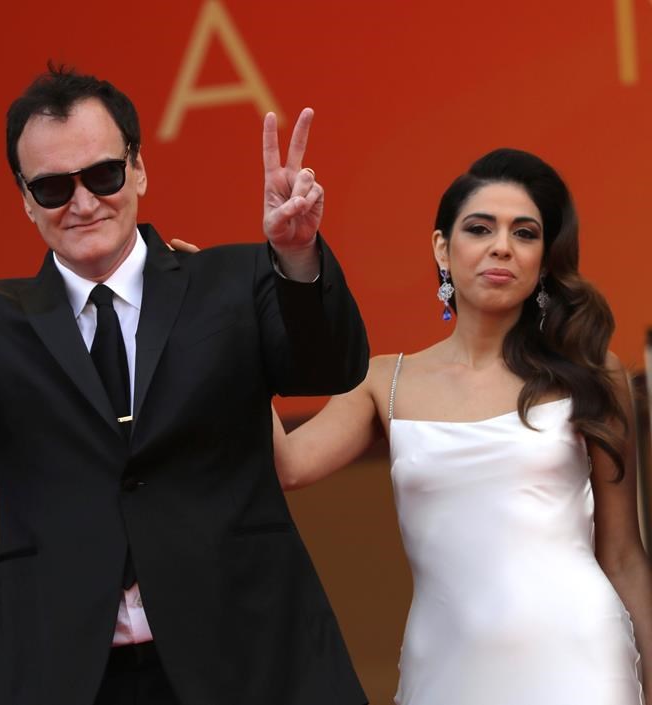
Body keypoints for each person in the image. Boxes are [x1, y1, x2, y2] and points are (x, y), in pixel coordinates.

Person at [0, 66, 370, 705]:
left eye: (103, 175)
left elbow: (329, 368)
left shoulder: (232, 281)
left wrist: (296, 258)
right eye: (53, 186)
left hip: (247, 654)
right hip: (66, 671)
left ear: (139, 169)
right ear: (25, 198)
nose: (84, 203)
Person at [273, 148, 652, 705]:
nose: (502, 245)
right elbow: (288, 465)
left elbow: (623, 555)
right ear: (442, 248)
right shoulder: (384, 382)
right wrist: (225, 331)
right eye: (480, 228)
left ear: (544, 260)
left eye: (525, 233)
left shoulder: (593, 376)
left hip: (583, 661)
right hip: (445, 669)